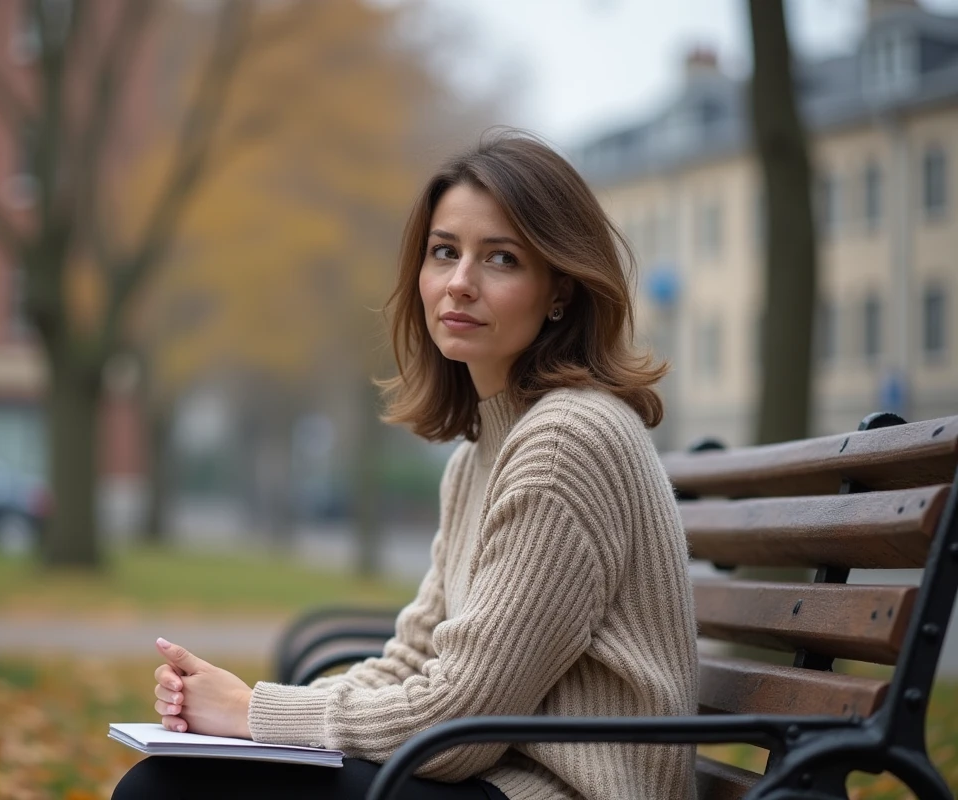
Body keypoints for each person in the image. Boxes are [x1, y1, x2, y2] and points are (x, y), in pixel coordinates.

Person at [112, 130, 698, 800]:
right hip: (501, 780)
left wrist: (252, 714)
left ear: (558, 291)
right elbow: (417, 657)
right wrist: (248, 708)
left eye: (501, 259)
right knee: (178, 780)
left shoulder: (567, 442)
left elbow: (460, 723)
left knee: (167, 792)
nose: (460, 283)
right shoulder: (484, 455)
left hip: (560, 792)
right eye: (444, 252)